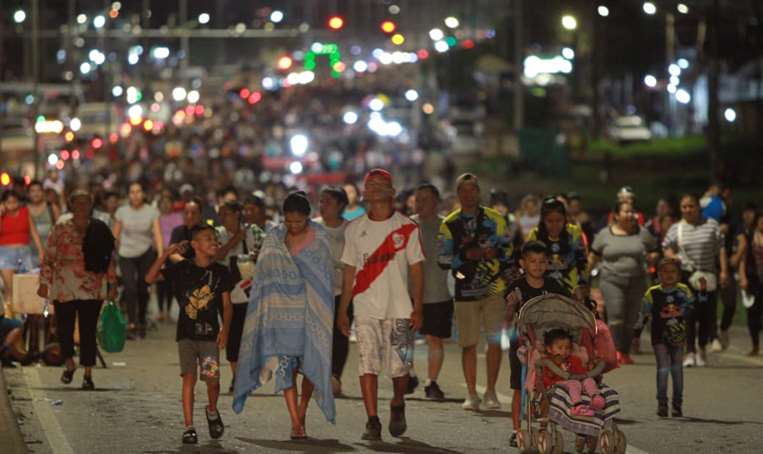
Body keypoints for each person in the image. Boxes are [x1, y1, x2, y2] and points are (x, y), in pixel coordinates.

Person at [233, 192, 336, 439]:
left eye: (298, 222)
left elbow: (324, 279)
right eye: (289, 221)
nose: (293, 226)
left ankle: (302, 409)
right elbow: (263, 273)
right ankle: (295, 420)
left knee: (310, 366)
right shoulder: (274, 238)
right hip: (280, 315)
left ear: (307, 218)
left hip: (310, 314)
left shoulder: (320, 238)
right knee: (285, 369)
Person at [337, 169, 424, 441]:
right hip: (364, 309)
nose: (374, 189)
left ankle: (398, 402)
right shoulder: (354, 229)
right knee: (367, 364)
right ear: (363, 193)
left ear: (391, 191)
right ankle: (372, 420)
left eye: (380, 184)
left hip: (400, 310)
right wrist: (343, 310)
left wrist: (418, 306)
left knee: (401, 367)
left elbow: (417, 269)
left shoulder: (407, 227)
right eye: (369, 185)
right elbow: (349, 271)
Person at [145, 225, 232, 445]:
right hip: (186, 336)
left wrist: (225, 330)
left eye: (215, 239)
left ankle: (212, 411)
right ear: (195, 245)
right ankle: (189, 427)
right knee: (189, 379)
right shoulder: (182, 268)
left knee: (212, 381)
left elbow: (227, 305)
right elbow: (149, 278)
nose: (214, 242)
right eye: (208, 239)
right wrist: (165, 253)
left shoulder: (221, 272)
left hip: (210, 338)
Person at [438, 173, 513, 411]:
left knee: (494, 342)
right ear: (458, 194)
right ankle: (471, 393)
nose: (468, 194)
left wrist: (496, 254)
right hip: (465, 290)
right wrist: (465, 256)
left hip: (494, 288)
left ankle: (491, 391)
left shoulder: (495, 219)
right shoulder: (449, 223)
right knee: (468, 344)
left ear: (478, 192)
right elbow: (442, 259)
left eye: (473, 190)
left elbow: (510, 250)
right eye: (463, 190)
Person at [37, 189, 117, 389]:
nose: (81, 207)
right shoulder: (60, 228)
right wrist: (43, 283)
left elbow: (110, 258)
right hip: (64, 284)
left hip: (93, 286)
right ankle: (69, 363)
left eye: (86, 203)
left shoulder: (100, 228)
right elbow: (48, 257)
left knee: (88, 330)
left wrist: (113, 283)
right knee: (64, 329)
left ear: (91, 205)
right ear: (71, 205)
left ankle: (88, 374)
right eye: (78, 203)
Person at [504, 241, 569, 447]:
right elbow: (506, 318)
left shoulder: (553, 286)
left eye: (542, 261)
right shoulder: (516, 287)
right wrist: (511, 305)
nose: (538, 265)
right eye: (532, 261)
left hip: (547, 346)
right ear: (523, 263)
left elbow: (567, 308)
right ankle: (516, 430)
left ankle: (542, 427)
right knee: (519, 387)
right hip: (522, 345)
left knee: (545, 386)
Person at [588, 200, 658, 365]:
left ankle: (625, 351)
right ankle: (615, 351)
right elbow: (593, 256)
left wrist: (652, 258)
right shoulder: (605, 234)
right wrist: (585, 277)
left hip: (637, 280)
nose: (630, 215)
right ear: (616, 215)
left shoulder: (643, 233)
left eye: (631, 212)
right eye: (626, 212)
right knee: (617, 316)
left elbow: (655, 251)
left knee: (631, 319)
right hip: (611, 280)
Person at [662, 194, 729, 367]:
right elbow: (666, 247)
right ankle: (690, 352)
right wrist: (674, 256)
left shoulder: (711, 225)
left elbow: (721, 249)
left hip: (708, 278)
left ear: (698, 207)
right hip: (686, 277)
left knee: (706, 314)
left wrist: (724, 272)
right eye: (684, 207)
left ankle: (701, 349)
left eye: (691, 206)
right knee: (689, 314)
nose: (688, 210)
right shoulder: (677, 228)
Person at [214, 201, 265, 393]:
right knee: (232, 334)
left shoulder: (255, 232)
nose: (222, 218)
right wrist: (236, 239)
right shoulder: (218, 233)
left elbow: (269, 252)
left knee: (248, 335)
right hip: (227, 290)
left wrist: (258, 256)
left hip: (249, 290)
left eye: (226, 213)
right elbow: (217, 255)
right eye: (221, 214)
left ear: (237, 214)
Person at [411, 183, 453, 400]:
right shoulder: (408, 226)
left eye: (426, 199)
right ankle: (407, 375)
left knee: (434, 338)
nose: (421, 204)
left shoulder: (447, 227)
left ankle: (431, 381)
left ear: (436, 202)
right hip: (409, 292)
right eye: (418, 199)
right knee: (404, 337)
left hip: (438, 292)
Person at [640, 258, 694, 417]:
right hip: (659, 336)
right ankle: (662, 402)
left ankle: (677, 404)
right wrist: (637, 333)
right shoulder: (652, 292)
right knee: (663, 368)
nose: (668, 275)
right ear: (658, 275)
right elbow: (644, 313)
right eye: (664, 272)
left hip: (678, 336)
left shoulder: (684, 290)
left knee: (677, 369)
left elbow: (692, 307)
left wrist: (682, 312)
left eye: (672, 272)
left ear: (679, 275)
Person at [313, 186, 351, 397]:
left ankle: (335, 376)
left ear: (340, 205)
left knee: (340, 335)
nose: (322, 205)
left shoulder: (349, 230)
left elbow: (350, 266)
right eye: (321, 201)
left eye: (327, 201)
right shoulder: (313, 228)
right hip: (317, 293)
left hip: (342, 292)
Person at [113, 182, 163, 339]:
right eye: (132, 192)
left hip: (145, 253)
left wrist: (161, 257)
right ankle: (132, 321)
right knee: (130, 287)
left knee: (143, 287)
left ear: (143, 194)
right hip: (126, 253)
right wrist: (113, 255)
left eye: (138, 191)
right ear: (129, 194)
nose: (135, 195)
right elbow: (115, 235)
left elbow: (157, 234)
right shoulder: (122, 212)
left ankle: (142, 318)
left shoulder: (152, 212)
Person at [527, 197, 588, 299]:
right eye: (550, 221)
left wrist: (582, 285)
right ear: (543, 220)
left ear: (565, 219)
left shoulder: (573, 233)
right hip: (541, 293)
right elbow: (528, 265)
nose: (554, 225)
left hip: (571, 292)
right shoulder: (535, 235)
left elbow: (582, 263)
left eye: (559, 220)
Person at [536, 328, 606, 417]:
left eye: (567, 348)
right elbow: (548, 377)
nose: (564, 351)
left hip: (575, 382)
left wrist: (590, 368)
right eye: (560, 348)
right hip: (555, 385)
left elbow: (581, 373)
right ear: (549, 349)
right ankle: (578, 406)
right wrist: (557, 366)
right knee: (574, 383)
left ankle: (596, 398)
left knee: (588, 379)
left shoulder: (574, 360)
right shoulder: (548, 361)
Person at [1, 189, 45, 317]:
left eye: (14, 202)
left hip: (25, 253)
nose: (12, 205)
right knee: (10, 290)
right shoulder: (2, 214)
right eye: (8, 202)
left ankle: (26, 323)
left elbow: (34, 232)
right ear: (3, 203)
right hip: (5, 254)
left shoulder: (25, 212)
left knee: (28, 288)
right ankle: (11, 321)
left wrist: (41, 251)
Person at [739, 211, 763, 356]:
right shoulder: (749, 237)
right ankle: (755, 346)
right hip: (753, 280)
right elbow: (743, 259)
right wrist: (743, 277)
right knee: (753, 313)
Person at [157, 193, 183, 321]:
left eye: (168, 202)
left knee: (170, 283)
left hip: (173, 254)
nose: (166, 205)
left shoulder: (178, 217)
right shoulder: (156, 218)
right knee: (160, 283)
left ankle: (168, 311)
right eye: (163, 203)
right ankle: (161, 311)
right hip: (159, 253)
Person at [26, 180, 60, 267]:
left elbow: (60, 230)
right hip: (29, 253)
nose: (36, 194)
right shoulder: (24, 210)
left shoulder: (52, 208)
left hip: (50, 253)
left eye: (38, 190)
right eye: (32, 191)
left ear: (43, 193)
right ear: (28, 194)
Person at [169, 197, 204, 262]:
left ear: (200, 215)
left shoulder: (206, 231)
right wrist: (187, 264)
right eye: (186, 213)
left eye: (193, 213)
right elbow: (171, 253)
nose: (189, 216)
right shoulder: (177, 231)